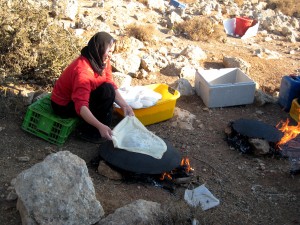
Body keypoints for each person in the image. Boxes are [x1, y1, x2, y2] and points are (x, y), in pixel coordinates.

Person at [51, 32, 134, 143]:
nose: (110, 55)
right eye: (109, 51)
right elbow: (81, 106)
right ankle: (89, 132)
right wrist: (100, 126)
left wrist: (124, 105)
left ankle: (101, 126)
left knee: (108, 89)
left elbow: (109, 82)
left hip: (77, 97)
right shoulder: (83, 71)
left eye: (112, 52)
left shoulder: (101, 60)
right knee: (106, 92)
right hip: (63, 105)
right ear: (99, 48)